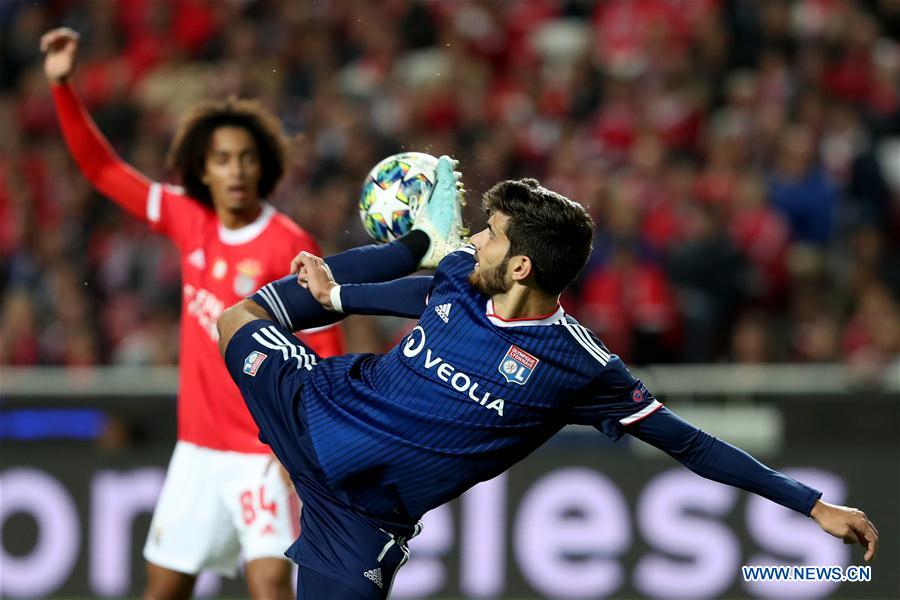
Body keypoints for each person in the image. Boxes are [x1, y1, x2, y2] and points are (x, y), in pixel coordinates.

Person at [217, 158, 878, 599]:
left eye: (493, 235)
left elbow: (692, 445)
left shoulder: (581, 368)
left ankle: (409, 244)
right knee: (237, 317)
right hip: (316, 404)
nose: (476, 241)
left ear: (524, 267)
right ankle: (411, 239)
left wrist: (811, 504)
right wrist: (338, 298)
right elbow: (423, 295)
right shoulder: (460, 280)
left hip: (359, 516)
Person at [41, 27, 344, 600]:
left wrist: (305, 446)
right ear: (202, 170)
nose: (234, 171)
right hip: (199, 448)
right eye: (222, 159)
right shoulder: (189, 219)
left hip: (263, 448)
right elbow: (104, 172)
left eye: (246, 159)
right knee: (165, 589)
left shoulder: (288, 242)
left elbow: (325, 349)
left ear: (263, 167)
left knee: (272, 582)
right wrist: (62, 87)